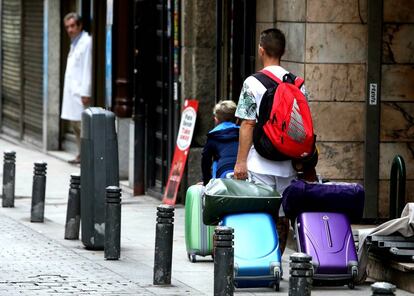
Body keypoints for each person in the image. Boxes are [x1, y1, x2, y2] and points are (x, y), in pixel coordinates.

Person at [233, 28, 309, 254]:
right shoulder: (298, 83)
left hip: (260, 161)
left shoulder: (252, 82)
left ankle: (263, 259)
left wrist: (241, 162)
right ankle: (278, 260)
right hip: (287, 162)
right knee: (283, 215)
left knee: (261, 212)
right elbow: (302, 126)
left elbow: (247, 124)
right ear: (283, 51)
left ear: (261, 49)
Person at [61, 12, 92, 165]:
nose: (70, 29)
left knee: (83, 126)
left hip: (81, 92)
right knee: (75, 125)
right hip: (73, 92)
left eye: (73, 26)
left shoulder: (87, 42)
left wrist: (86, 91)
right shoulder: (74, 43)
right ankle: (80, 154)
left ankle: (86, 156)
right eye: (67, 27)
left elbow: (88, 67)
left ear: (80, 26)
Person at [201, 100, 239, 186]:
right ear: (237, 119)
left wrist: (206, 182)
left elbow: (205, 161)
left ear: (216, 120)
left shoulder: (213, 136)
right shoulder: (243, 133)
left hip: (222, 174)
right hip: (244, 171)